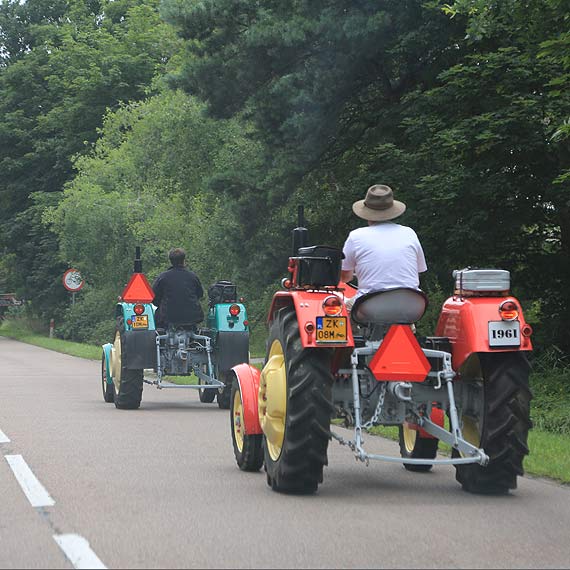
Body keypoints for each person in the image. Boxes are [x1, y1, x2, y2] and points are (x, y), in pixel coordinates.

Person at [340, 184, 427, 309]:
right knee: (404, 318)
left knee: (344, 312)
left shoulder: (356, 236)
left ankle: (355, 330)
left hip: (370, 304)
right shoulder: (409, 233)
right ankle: (407, 328)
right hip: (411, 305)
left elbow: (345, 277)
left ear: (366, 212)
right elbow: (418, 271)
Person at [152, 248, 204, 329]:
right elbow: (200, 294)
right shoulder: (192, 276)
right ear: (184, 260)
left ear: (171, 261)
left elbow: (154, 297)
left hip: (168, 318)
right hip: (192, 317)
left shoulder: (163, 277)